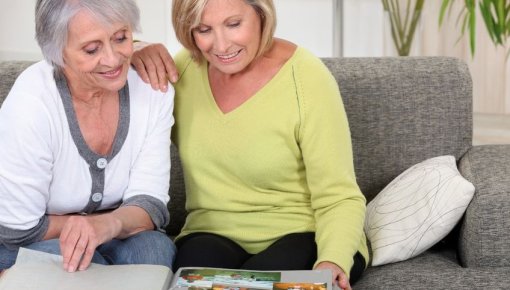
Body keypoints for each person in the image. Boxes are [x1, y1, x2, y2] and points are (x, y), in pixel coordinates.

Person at [131, 0, 368, 289]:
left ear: (261, 15)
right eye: (204, 29)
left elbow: (340, 195)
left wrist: (333, 260)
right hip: (211, 231)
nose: (221, 45)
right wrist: (134, 47)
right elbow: (98, 56)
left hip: (304, 233)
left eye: (233, 24)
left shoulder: (306, 77)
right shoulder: (180, 71)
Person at [0, 0, 176, 273]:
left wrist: (107, 224)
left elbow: (150, 204)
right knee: (83, 264)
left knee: (154, 249)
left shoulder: (151, 88)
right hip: (33, 242)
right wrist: (90, 227)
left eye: (121, 38)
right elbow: (18, 230)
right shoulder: (31, 103)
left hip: (114, 235)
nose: (113, 58)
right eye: (92, 49)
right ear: (58, 52)